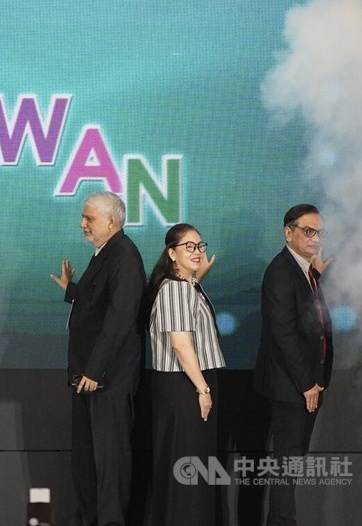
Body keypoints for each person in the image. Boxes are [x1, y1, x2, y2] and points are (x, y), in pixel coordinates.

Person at [49, 191, 146, 526]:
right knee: (88, 461)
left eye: (88, 218)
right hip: (89, 377)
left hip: (107, 378)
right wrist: (72, 290)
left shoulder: (124, 255)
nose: (82, 224)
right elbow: (99, 302)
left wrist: (95, 369)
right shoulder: (106, 253)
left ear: (111, 220)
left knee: (109, 462)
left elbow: (120, 318)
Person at [253, 204, 333, 526]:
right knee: (287, 465)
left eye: (320, 232)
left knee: (294, 464)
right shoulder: (280, 272)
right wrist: (306, 384)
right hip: (293, 388)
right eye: (309, 231)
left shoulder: (303, 270)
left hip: (306, 384)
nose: (316, 239)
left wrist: (317, 275)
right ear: (289, 233)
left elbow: (309, 319)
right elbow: (283, 334)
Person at [143, 223, 223, 526]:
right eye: (189, 246)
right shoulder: (175, 289)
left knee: (192, 465)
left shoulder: (183, 285)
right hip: (185, 385)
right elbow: (180, 345)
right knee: (188, 467)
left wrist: (195, 277)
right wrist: (203, 390)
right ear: (172, 253)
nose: (198, 252)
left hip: (186, 383)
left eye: (200, 246)